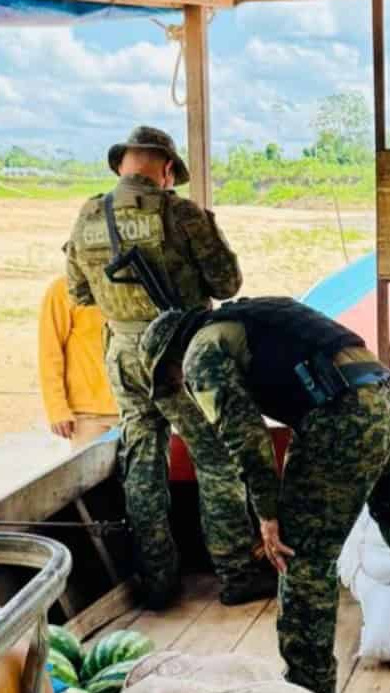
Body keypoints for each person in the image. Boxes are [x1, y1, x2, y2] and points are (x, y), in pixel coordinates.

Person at [137, 294, 390, 693]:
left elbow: (246, 439)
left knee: (302, 560)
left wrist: (267, 513)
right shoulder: (253, 316)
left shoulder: (200, 353)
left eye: (171, 380)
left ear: (170, 358)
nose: (180, 387)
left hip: (341, 417)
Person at [66, 125, 270, 609]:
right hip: (180, 354)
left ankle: (157, 581)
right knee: (216, 456)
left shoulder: (89, 215)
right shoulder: (181, 214)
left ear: (122, 165)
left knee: (142, 458)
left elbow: (79, 292)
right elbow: (226, 283)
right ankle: (237, 572)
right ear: (167, 170)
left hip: (122, 354)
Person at [37, 272, 117, 449]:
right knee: (91, 466)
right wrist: (57, 409)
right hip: (88, 415)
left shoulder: (136, 285)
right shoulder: (65, 289)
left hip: (137, 409)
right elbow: (50, 352)